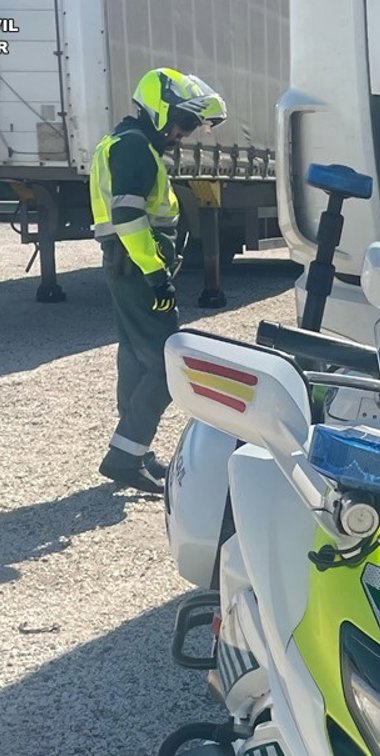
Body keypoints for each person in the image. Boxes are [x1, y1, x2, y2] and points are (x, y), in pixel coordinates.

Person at [89, 67, 227, 494]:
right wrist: (155, 274)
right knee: (168, 366)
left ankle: (133, 449)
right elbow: (128, 216)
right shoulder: (134, 148)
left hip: (126, 265)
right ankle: (125, 457)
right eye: (184, 121)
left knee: (136, 358)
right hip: (136, 268)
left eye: (193, 125)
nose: (186, 133)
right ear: (158, 109)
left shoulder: (126, 142)